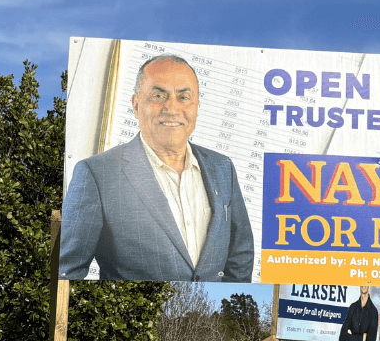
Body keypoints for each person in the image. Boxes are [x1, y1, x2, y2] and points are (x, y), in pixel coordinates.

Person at [59, 54, 254, 282]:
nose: (171, 108)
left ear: (197, 106)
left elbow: (240, 253)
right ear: (136, 105)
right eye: (158, 95)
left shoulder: (223, 167)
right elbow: (66, 273)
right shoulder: (96, 175)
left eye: (184, 97)